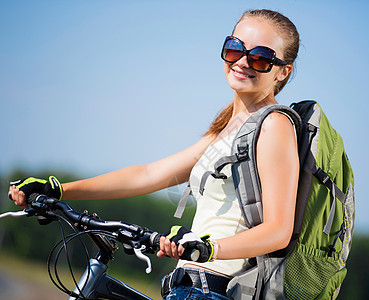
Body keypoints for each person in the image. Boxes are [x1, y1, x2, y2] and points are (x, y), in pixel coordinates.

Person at [9, 9, 300, 300]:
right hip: (187, 285)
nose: (242, 62)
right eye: (235, 48)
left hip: (214, 289)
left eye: (260, 57)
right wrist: (59, 189)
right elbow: (148, 175)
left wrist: (209, 248)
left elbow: (278, 230)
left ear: (283, 70)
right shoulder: (228, 127)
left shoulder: (274, 125)